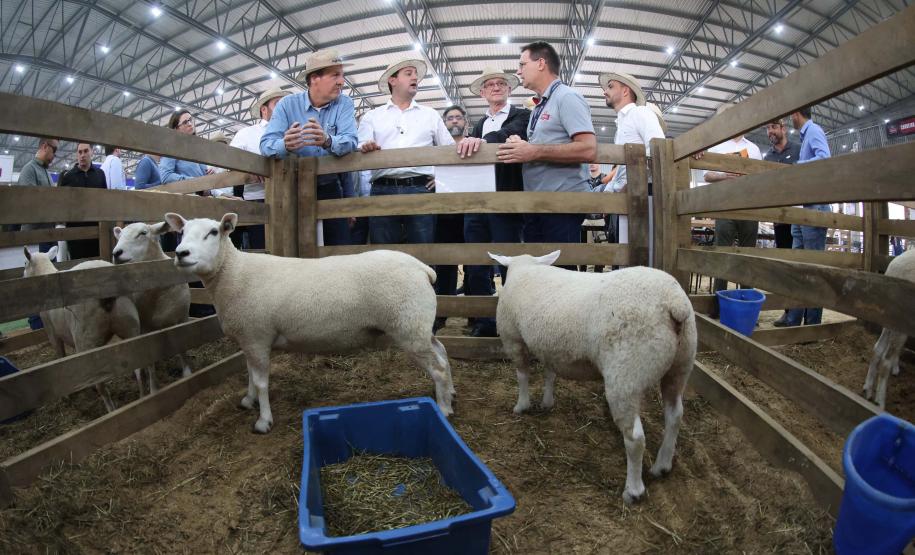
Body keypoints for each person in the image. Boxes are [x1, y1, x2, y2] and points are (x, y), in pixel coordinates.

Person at [497, 41, 596, 267]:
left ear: (541, 63)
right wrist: (522, 144)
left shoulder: (567, 97)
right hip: (539, 204)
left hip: (561, 204)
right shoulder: (540, 106)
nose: (518, 70)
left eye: (522, 64)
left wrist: (533, 151)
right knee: (542, 276)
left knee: (560, 276)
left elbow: (588, 148)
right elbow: (542, 145)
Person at [457, 66, 531, 336]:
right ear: (483, 92)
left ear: (509, 89)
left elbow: (511, 132)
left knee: (509, 259)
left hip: (507, 200)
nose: (496, 87)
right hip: (478, 201)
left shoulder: (522, 115)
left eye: (501, 83)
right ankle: (484, 321)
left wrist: (480, 141)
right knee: (476, 260)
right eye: (490, 84)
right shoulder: (479, 122)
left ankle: (513, 321)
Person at [261, 49, 358, 246]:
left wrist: (327, 140)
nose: (342, 81)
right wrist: (284, 144)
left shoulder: (345, 103)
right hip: (293, 189)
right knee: (296, 245)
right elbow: (266, 144)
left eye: (342, 75)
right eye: (335, 75)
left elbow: (351, 140)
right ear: (315, 78)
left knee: (338, 247)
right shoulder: (287, 105)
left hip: (331, 185)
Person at [358, 58, 454, 244]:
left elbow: (449, 149)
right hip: (382, 189)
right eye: (408, 73)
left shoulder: (430, 115)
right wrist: (365, 147)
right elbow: (360, 146)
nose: (415, 77)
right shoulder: (372, 116)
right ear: (392, 80)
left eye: (416, 75)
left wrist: (443, 178)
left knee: (424, 251)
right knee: (384, 254)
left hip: (421, 189)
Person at [599, 72, 666, 266]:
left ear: (626, 90)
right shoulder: (621, 124)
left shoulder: (640, 113)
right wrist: (611, 192)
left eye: (610, 86)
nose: (605, 91)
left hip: (642, 196)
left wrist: (629, 186)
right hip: (628, 196)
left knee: (639, 258)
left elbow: (656, 149)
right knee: (627, 256)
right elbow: (621, 170)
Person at [701, 104, 762, 318]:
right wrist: (724, 176)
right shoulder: (717, 147)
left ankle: (747, 306)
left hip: (748, 207)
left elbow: (761, 177)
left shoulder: (753, 149)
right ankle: (719, 307)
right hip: (724, 206)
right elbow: (706, 175)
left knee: (747, 255)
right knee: (723, 254)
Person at [777, 106, 832, 327]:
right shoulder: (806, 135)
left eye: (792, 114)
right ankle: (794, 319)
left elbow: (825, 158)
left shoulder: (815, 131)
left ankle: (811, 325)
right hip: (804, 207)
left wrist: (798, 166)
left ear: (797, 114)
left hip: (815, 207)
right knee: (799, 264)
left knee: (812, 266)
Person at [16, 136, 59, 331]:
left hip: (47, 236)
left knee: (51, 282)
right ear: (44, 146)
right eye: (54, 150)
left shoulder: (45, 173)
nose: (55, 155)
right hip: (34, 238)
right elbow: (27, 202)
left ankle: (51, 322)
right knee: (35, 282)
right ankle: (36, 324)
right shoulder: (29, 169)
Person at [762, 117, 802, 327]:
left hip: (800, 215)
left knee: (803, 265)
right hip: (780, 219)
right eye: (768, 128)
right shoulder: (768, 156)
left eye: (774, 127)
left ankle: (808, 315)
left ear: (783, 128)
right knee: (786, 267)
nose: (771, 131)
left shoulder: (798, 149)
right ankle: (789, 313)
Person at [433, 105, 469, 332]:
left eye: (458, 117)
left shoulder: (476, 143)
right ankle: (442, 312)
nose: (454, 121)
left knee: (475, 261)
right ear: (444, 123)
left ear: (465, 122)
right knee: (445, 261)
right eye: (450, 118)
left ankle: (477, 314)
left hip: (470, 208)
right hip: (444, 209)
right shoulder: (436, 149)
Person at [59, 142, 108, 261]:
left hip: (97, 233)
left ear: (92, 152)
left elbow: (105, 202)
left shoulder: (100, 174)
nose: (82, 155)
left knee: (96, 266)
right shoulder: (68, 177)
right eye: (80, 152)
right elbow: (62, 205)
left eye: (86, 151)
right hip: (75, 234)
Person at [159, 110, 213, 184]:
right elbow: (165, 176)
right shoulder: (171, 148)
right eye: (185, 122)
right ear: (176, 129)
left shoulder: (197, 150)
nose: (190, 124)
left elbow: (205, 179)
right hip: (187, 193)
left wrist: (210, 175)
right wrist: (194, 182)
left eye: (190, 120)